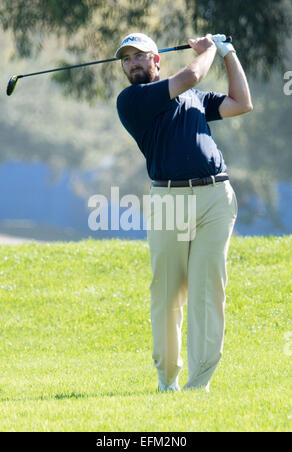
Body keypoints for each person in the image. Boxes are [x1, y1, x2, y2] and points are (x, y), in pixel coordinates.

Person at [115, 32, 253, 392]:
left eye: (139, 56)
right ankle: (167, 379)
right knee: (168, 292)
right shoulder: (132, 100)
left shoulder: (194, 99)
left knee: (209, 289)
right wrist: (208, 50)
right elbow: (191, 75)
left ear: (156, 59)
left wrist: (228, 53)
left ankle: (200, 383)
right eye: (126, 59)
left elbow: (241, 103)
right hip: (168, 202)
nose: (133, 64)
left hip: (214, 197)